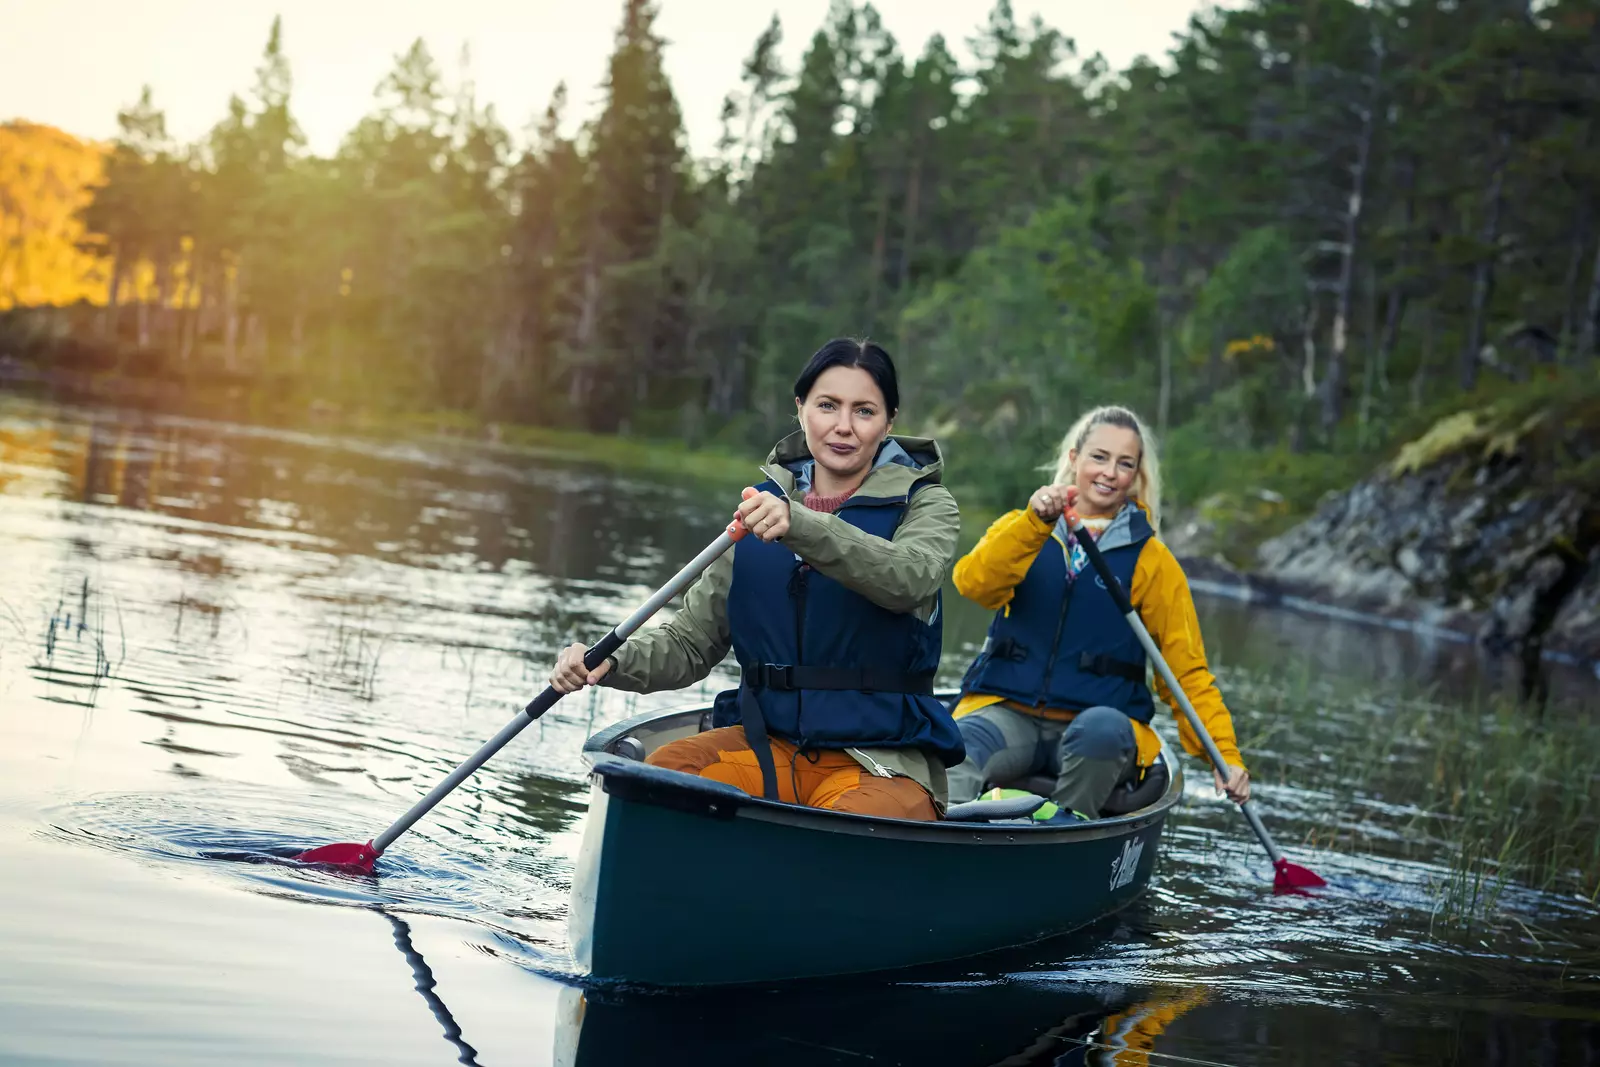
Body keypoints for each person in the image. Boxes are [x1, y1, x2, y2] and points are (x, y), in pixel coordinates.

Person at [549, 338, 963, 820]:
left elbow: (911, 578)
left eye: (864, 411)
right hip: (769, 746)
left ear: (889, 422)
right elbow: (689, 644)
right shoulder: (756, 510)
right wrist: (609, 661)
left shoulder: (927, 505)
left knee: (841, 828)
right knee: (658, 779)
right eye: (827, 405)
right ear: (801, 408)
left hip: (881, 759)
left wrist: (801, 524)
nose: (843, 427)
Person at [945, 404, 1251, 820]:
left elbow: (1186, 674)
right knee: (956, 744)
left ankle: (1062, 839)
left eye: (1124, 464)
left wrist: (1224, 755)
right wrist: (1034, 524)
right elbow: (972, 583)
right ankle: (946, 841)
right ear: (1074, 459)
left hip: (1095, 729)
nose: (1109, 472)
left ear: (1135, 476)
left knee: (1102, 731)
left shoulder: (1153, 563)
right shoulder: (1022, 529)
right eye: (1099, 457)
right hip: (1009, 713)